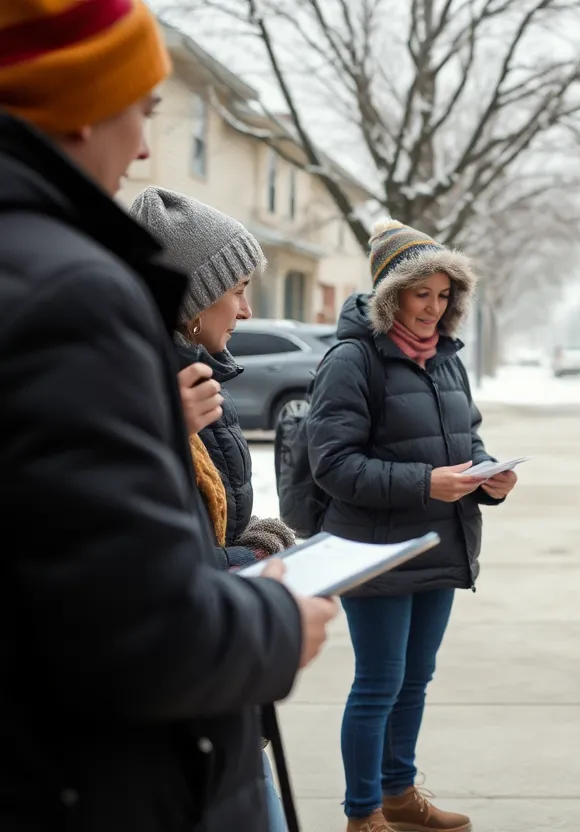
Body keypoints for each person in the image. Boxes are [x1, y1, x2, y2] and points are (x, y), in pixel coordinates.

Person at [0, 3, 336, 830]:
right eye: (142, 111)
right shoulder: (69, 293)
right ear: (78, 107)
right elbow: (138, 626)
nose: (146, 147)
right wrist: (276, 619)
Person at [306, 220, 517, 832]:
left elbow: (466, 436)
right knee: (378, 683)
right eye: (420, 292)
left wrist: (487, 473)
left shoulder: (447, 360)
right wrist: (426, 482)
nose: (433, 306)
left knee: (415, 679)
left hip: (439, 540)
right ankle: (362, 811)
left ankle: (399, 793)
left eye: (444, 293)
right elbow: (334, 466)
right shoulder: (352, 360)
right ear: (391, 295)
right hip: (374, 548)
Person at [130, 186, 299, 832]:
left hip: (220, 668)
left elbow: (207, 515)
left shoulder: (202, 375)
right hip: (183, 679)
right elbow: (138, 543)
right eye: (238, 289)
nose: (248, 309)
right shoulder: (146, 385)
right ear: (195, 300)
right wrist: (247, 559)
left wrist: (250, 537)